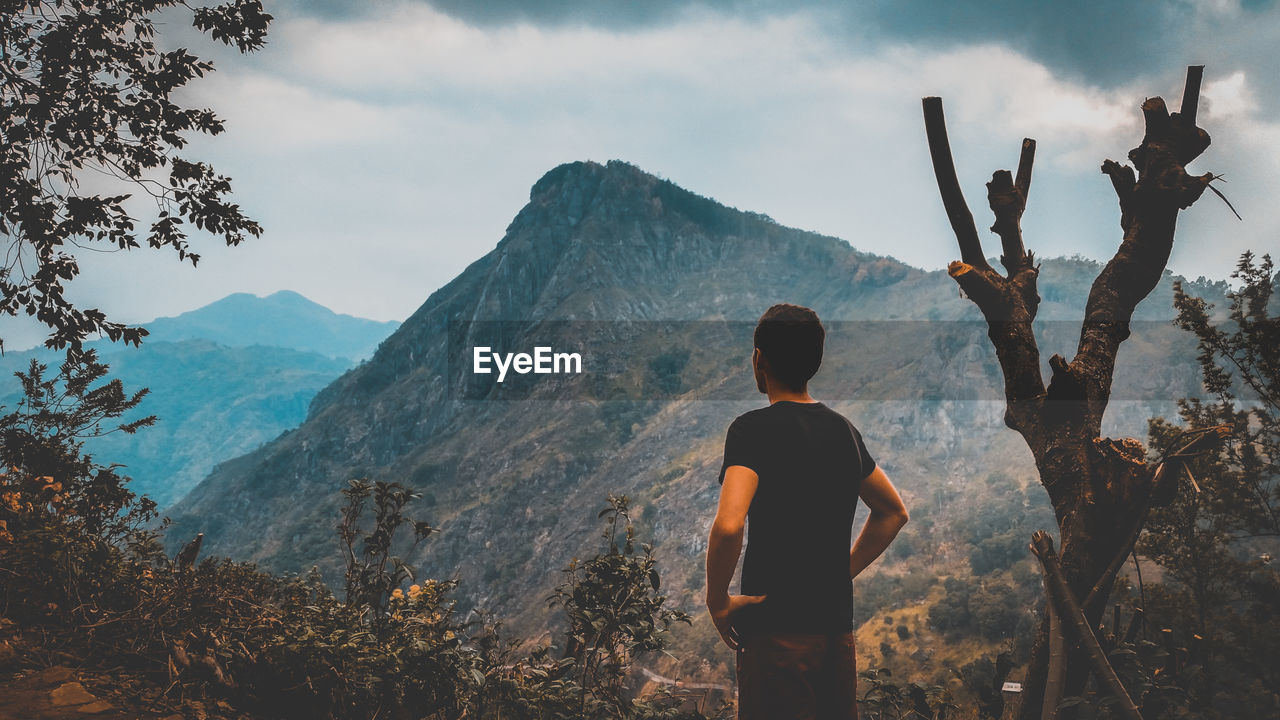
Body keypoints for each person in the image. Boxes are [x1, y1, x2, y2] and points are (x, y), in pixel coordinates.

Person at [705, 303, 909, 720]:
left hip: (775, 635)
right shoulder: (844, 431)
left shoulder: (750, 430)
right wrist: (840, 572)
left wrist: (717, 601)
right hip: (836, 633)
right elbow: (892, 512)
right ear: (814, 362)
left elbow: (728, 525)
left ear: (759, 359)